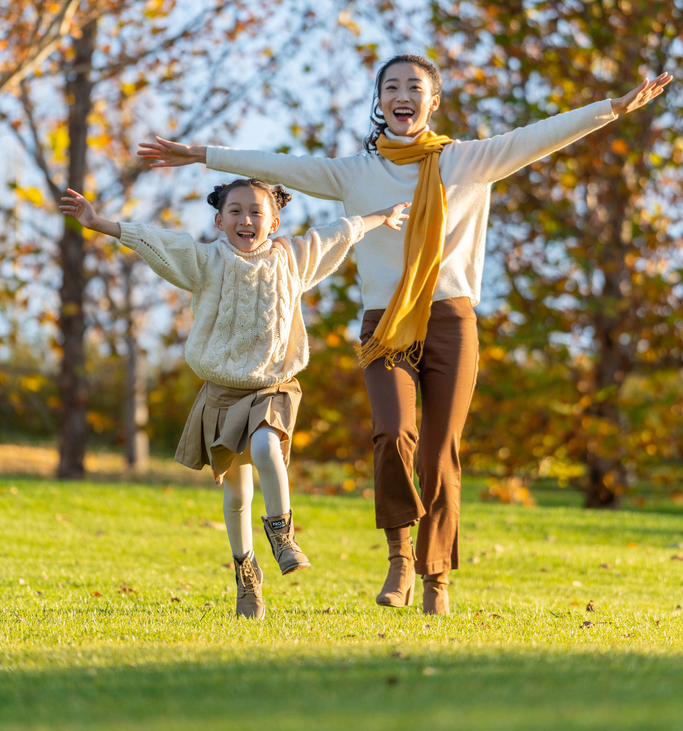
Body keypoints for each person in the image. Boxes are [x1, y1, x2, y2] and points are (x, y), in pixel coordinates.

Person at [137, 56, 672, 615]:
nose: (402, 95)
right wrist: (199, 155)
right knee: (394, 434)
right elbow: (280, 165)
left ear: (432, 101)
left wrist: (614, 108)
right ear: (380, 100)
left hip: (449, 319)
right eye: (391, 86)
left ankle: (436, 576)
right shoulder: (356, 173)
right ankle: (399, 557)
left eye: (414, 87)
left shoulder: (468, 160)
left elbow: (544, 134)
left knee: (439, 453)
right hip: (385, 324)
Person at [59, 179, 409, 619]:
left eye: (256, 212)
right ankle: (247, 576)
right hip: (223, 394)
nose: (247, 220)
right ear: (220, 220)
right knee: (237, 495)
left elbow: (338, 232)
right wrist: (99, 223)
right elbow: (156, 240)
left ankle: (282, 534)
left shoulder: (292, 258)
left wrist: (381, 217)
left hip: (273, 386)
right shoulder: (206, 261)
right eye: (236, 211)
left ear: (274, 221)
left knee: (265, 446)